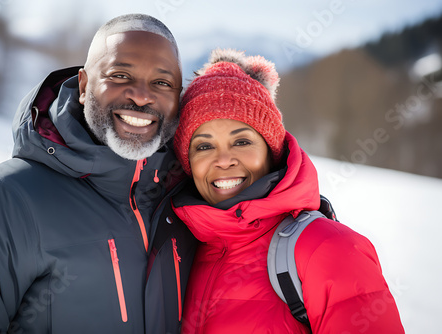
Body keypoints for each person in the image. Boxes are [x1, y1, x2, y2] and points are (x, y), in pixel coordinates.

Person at [0, 14, 196, 334]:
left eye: (162, 82)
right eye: (120, 75)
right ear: (84, 86)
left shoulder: (190, 208)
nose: (142, 96)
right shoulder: (1, 201)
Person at [171, 48, 405, 333]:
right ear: (187, 162)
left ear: (272, 151)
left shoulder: (328, 249)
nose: (223, 160)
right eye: (204, 146)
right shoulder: (178, 252)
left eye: (242, 142)